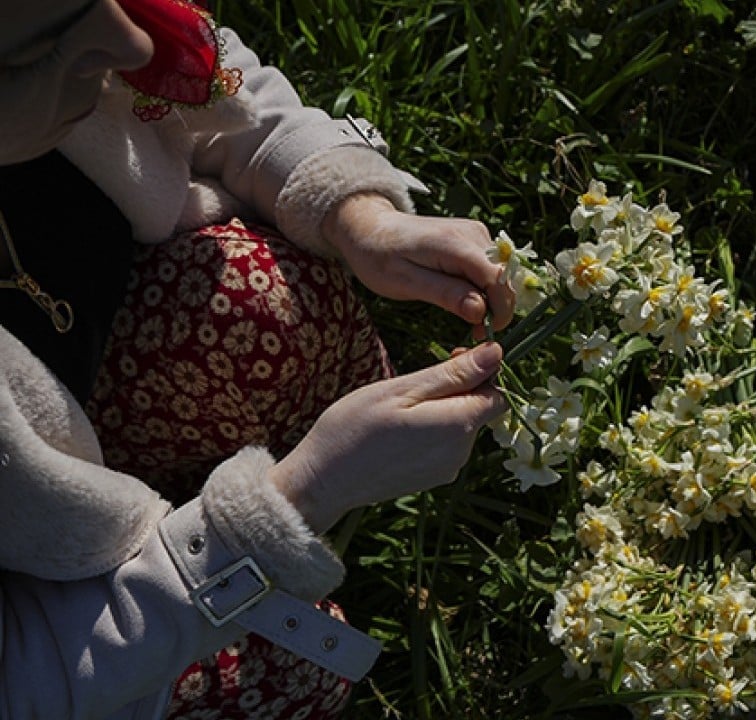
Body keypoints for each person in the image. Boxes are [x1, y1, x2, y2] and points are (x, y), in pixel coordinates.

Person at [0, 0, 516, 717]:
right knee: (294, 670)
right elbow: (28, 682)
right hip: (51, 619)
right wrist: (298, 496)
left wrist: (363, 218)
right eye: (34, 51)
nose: (127, 39)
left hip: (60, 428)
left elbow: (212, 86)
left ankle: (276, 479)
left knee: (255, 300)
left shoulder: (98, 31)